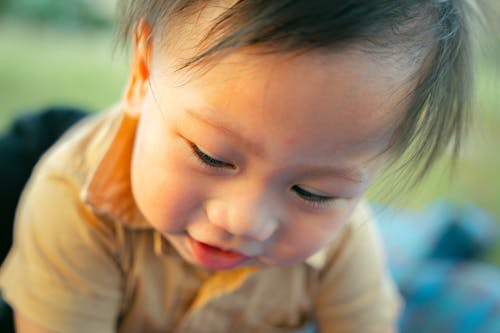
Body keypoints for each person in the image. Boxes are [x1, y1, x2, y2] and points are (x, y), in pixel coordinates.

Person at [0, 1, 477, 332]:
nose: (244, 221)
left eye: (312, 192)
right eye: (212, 156)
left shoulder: (345, 240)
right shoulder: (75, 204)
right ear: (142, 75)